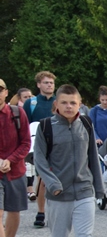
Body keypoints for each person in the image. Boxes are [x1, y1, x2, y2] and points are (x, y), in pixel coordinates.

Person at [33, 85, 107, 237]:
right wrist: (52, 183)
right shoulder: (46, 127)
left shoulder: (85, 123)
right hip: (58, 195)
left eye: (73, 103)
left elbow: (93, 156)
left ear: (80, 104)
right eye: (64, 102)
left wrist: (99, 188)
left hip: (84, 191)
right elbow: (39, 160)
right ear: (56, 104)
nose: (69, 106)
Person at [0, 79, 32, 237]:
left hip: (16, 170)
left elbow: (26, 142)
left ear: (6, 92)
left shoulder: (17, 113)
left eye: (0, 89)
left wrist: (10, 160)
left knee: (14, 210)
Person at [26, 71, 56, 228]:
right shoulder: (31, 103)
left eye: (51, 83)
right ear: (38, 85)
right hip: (39, 146)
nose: (49, 85)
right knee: (43, 179)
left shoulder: (59, 101)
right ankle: (41, 212)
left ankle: (57, 213)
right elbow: (25, 127)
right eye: (46, 82)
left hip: (58, 146)